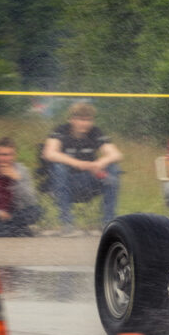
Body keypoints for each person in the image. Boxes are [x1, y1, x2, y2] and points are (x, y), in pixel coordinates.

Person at [42, 101, 122, 236]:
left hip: (90, 182)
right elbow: (49, 153)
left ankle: (107, 223)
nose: (85, 123)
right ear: (71, 119)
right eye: (81, 119)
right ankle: (67, 223)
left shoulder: (95, 132)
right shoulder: (60, 131)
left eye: (88, 120)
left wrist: (99, 163)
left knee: (113, 168)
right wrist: (77, 163)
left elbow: (116, 154)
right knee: (58, 167)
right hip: (66, 182)